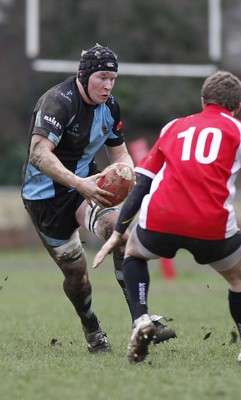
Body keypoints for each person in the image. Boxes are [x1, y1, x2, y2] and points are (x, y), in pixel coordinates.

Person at [92, 70, 241, 364]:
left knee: (134, 252)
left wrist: (120, 231)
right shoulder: (240, 131)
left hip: (162, 218)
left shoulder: (174, 127)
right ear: (236, 107)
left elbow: (143, 181)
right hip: (211, 225)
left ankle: (141, 319)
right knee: (240, 278)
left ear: (202, 100)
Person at [21, 44, 176, 354]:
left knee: (121, 234)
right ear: (85, 75)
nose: (108, 85)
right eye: (102, 77)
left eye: (113, 78)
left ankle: (140, 321)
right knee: (77, 277)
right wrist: (80, 183)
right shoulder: (57, 102)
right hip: (45, 200)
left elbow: (119, 153)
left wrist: (128, 176)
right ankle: (91, 328)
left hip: (88, 188)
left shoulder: (111, 106)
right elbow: (38, 154)